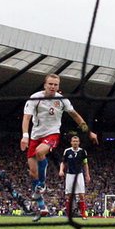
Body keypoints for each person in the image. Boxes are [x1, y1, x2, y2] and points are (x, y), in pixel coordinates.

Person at [20, 73, 98, 220]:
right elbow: (26, 117)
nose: (53, 87)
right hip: (35, 136)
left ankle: (42, 185)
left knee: (39, 152)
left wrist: (89, 132)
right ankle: (42, 207)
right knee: (32, 173)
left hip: (52, 134)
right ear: (45, 85)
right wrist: (25, 136)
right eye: (50, 84)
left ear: (58, 86)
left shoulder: (62, 100)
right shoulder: (35, 98)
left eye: (55, 85)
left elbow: (75, 115)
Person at [59, 133, 90, 219]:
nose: (75, 142)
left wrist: (87, 175)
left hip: (79, 175)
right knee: (69, 195)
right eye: (74, 141)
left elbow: (85, 164)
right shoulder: (67, 151)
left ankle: (83, 214)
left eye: (76, 141)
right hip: (69, 175)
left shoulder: (83, 151)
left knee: (81, 194)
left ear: (79, 142)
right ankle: (69, 215)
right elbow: (63, 162)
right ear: (71, 142)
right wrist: (61, 170)